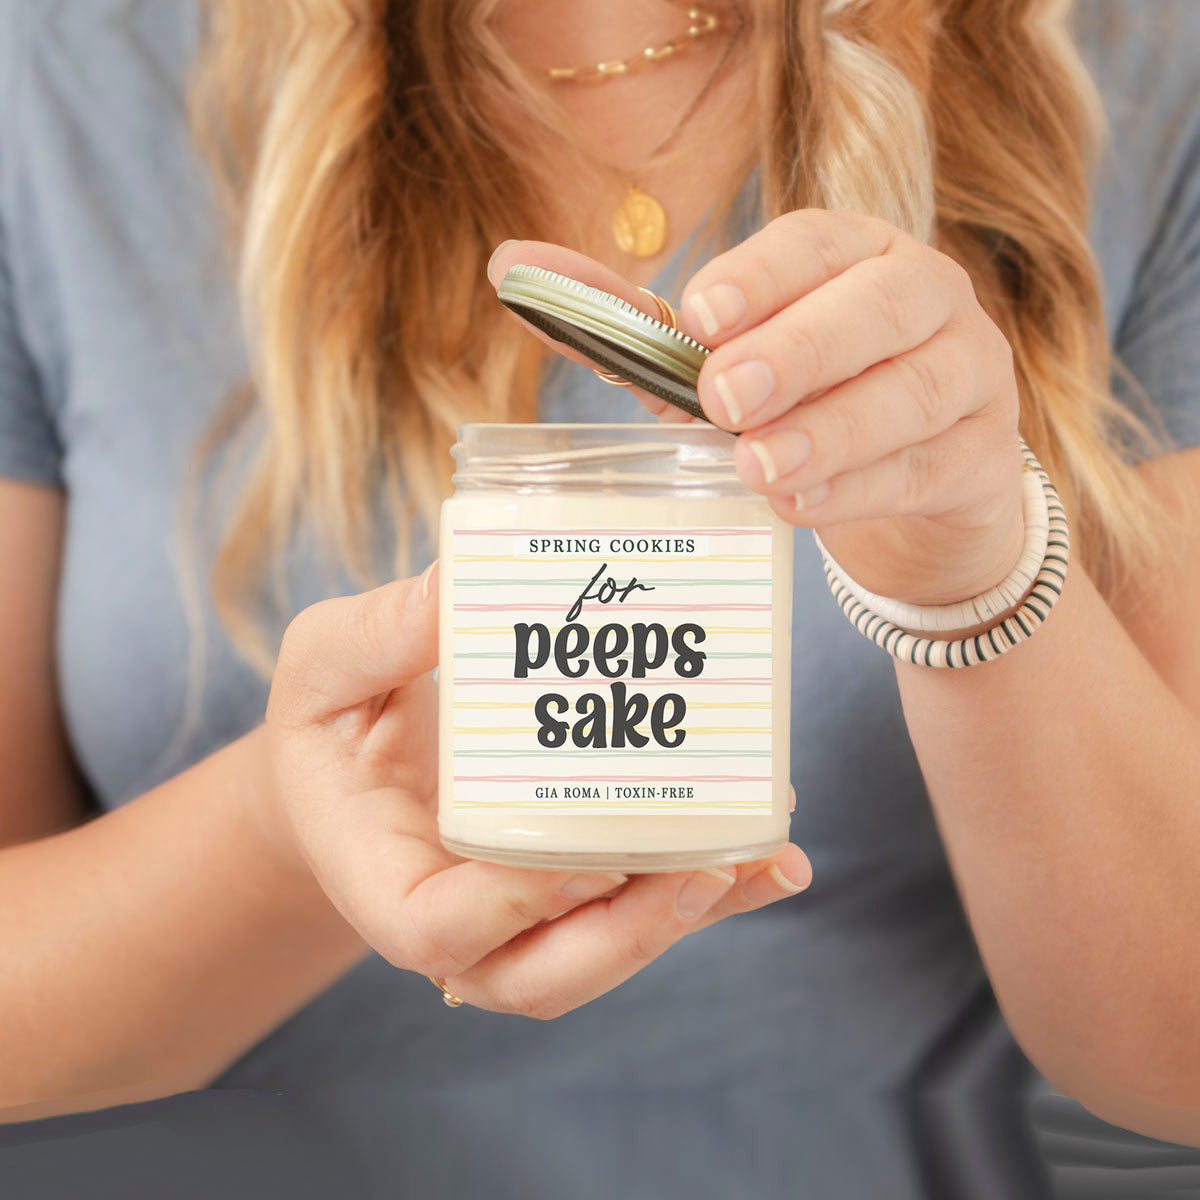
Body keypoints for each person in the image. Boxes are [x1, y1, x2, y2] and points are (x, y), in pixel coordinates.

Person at [1, 0, 1198, 1196]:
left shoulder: (1131, 76)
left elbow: (1178, 1060)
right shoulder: (63, 74)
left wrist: (973, 577)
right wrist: (296, 815)